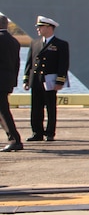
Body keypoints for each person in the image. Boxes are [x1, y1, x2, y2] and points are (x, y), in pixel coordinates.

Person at [22, 15, 69, 143]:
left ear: (49, 28)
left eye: (40, 27)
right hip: (36, 80)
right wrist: (26, 80)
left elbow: (63, 64)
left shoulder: (61, 44)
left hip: (50, 81)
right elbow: (29, 63)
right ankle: (37, 132)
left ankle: (49, 133)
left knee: (50, 107)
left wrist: (60, 81)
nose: (38, 29)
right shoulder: (34, 43)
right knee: (36, 108)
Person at [1, 14, 23, 151]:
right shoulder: (14, 41)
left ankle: (15, 139)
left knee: (3, 111)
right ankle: (14, 138)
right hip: (7, 81)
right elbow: (17, 64)